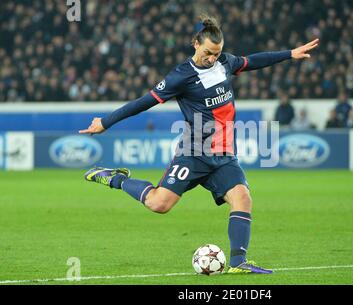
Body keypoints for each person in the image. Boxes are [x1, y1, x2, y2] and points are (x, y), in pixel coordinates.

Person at [79, 16, 319, 274]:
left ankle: (239, 262)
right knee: (159, 204)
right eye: (207, 53)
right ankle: (115, 178)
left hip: (224, 155)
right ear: (195, 44)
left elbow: (253, 60)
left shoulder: (225, 62)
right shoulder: (180, 77)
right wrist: (106, 121)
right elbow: (142, 102)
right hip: (193, 154)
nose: (212, 58)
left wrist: (289, 54)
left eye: (216, 53)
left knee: (242, 197)